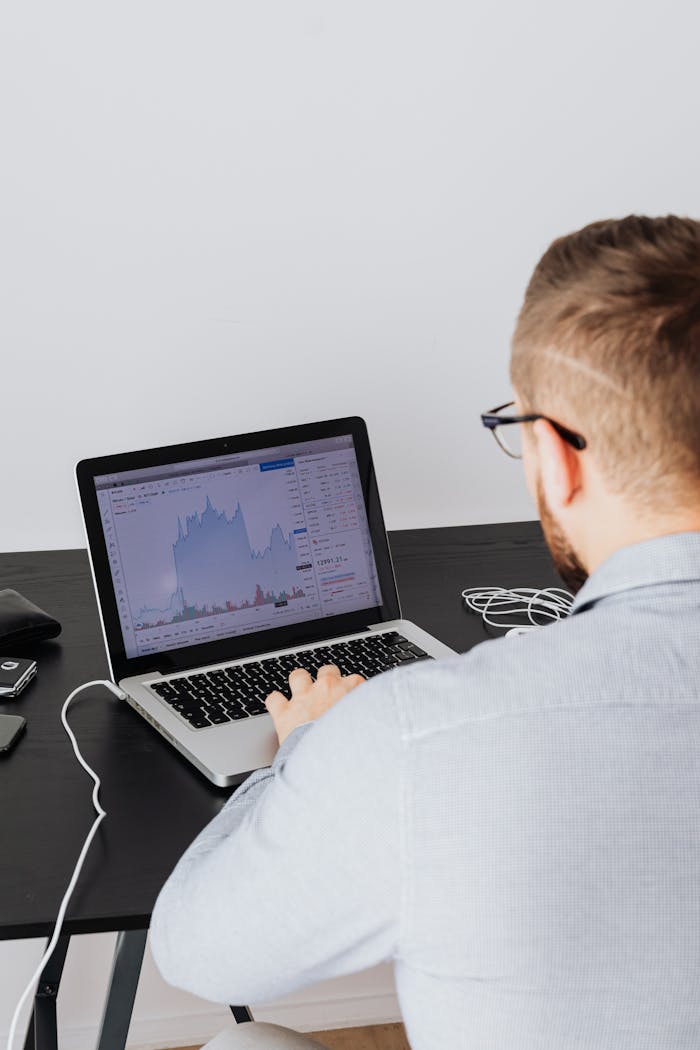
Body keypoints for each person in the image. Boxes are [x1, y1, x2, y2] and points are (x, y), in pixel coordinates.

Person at [150, 215, 700, 1049]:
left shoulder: (412, 737)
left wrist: (305, 754)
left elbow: (197, 956)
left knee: (239, 1042)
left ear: (557, 456)